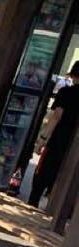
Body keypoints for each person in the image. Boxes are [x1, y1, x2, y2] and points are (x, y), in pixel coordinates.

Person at [31, 61, 79, 210]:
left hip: (59, 138)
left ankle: (32, 205)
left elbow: (56, 116)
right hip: (75, 144)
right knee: (66, 178)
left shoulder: (66, 92)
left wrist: (42, 139)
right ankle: (54, 211)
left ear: (73, 75)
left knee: (44, 173)